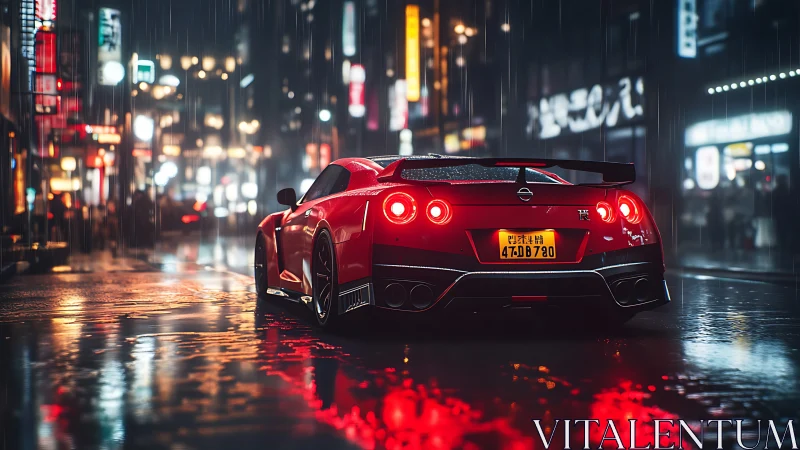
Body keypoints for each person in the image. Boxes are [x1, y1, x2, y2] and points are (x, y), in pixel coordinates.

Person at [772, 175, 793, 253]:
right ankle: (786, 248)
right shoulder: (788, 191)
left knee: (780, 233)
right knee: (787, 232)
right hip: (788, 216)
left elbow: (772, 205)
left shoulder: (775, 191)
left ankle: (782, 248)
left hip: (779, 216)